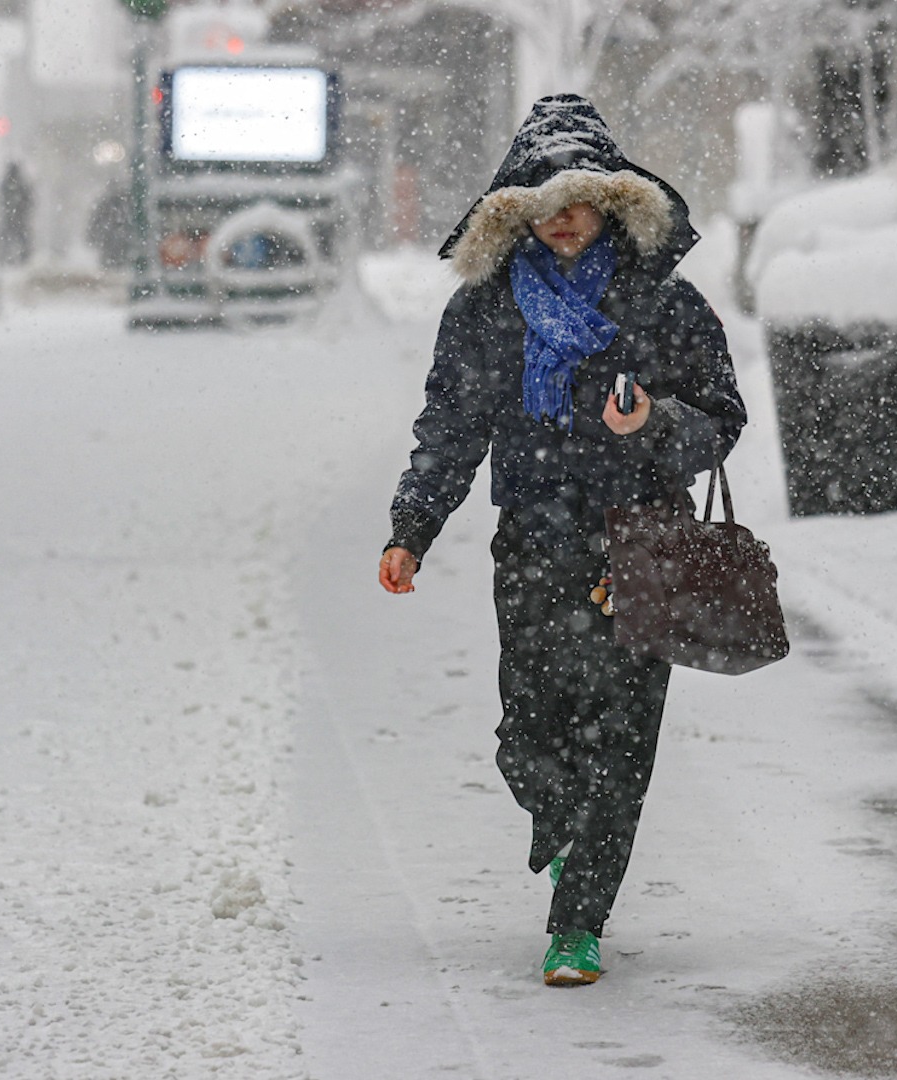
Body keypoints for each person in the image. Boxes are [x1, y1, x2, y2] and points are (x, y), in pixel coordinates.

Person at [377, 95, 745, 987]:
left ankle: (579, 922)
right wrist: (412, 528)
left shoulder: (666, 304)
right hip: (534, 540)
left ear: (613, 200)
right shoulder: (485, 310)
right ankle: (570, 828)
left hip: (642, 542)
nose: (564, 218)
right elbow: (450, 427)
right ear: (515, 211)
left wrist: (654, 423)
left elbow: (722, 420)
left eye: (580, 199)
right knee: (529, 733)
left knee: (621, 742)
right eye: (544, 203)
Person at [0, 162, 33, 266]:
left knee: (7, 240)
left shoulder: (7, 183)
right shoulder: (21, 184)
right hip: (17, 218)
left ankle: (8, 260)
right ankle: (22, 260)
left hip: (12, 217)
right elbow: (29, 200)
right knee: (20, 240)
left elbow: (1, 198)